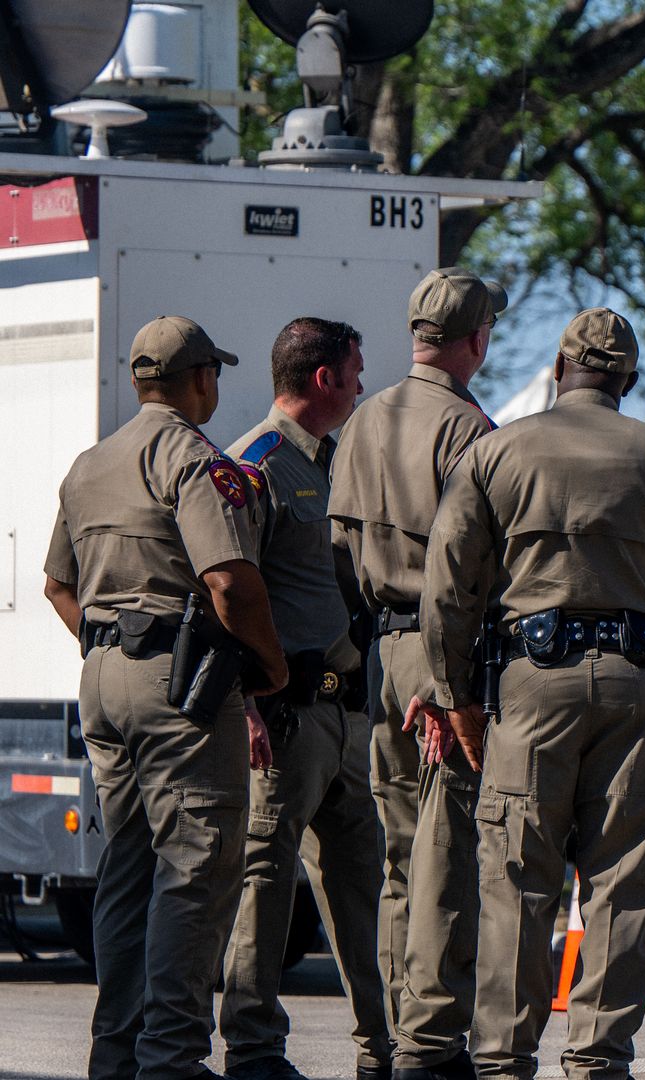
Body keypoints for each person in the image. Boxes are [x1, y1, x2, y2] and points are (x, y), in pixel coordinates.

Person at [408, 307, 645, 1078]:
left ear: (560, 370)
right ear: (628, 380)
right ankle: (598, 1061)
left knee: (519, 875)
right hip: (634, 680)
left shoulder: (497, 452)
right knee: (622, 877)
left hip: (531, 681)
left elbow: (448, 589)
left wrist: (456, 694)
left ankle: (502, 1062)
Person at [43, 315, 289, 1080]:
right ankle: (172, 1059)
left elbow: (57, 585)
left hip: (103, 677)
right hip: (177, 688)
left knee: (130, 867)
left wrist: (116, 646)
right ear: (201, 380)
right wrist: (269, 667)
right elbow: (227, 579)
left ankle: (117, 1053)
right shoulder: (191, 456)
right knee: (198, 865)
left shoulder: (90, 464)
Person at [329, 267, 505, 1080]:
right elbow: (465, 569)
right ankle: (432, 1046)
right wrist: (450, 681)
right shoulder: (466, 427)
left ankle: (397, 1037)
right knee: (447, 853)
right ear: (474, 340)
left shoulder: (363, 419)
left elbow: (335, 553)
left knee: (402, 857)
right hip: (442, 653)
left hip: (382, 650)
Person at [219, 318, 392, 1080]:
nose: (362, 382)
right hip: (285, 720)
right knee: (264, 886)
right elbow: (221, 589)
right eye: (354, 370)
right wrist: (245, 705)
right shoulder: (253, 466)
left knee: (364, 886)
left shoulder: (334, 464)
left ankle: (385, 1049)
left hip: (346, 714)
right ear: (323, 378)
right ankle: (255, 1050)